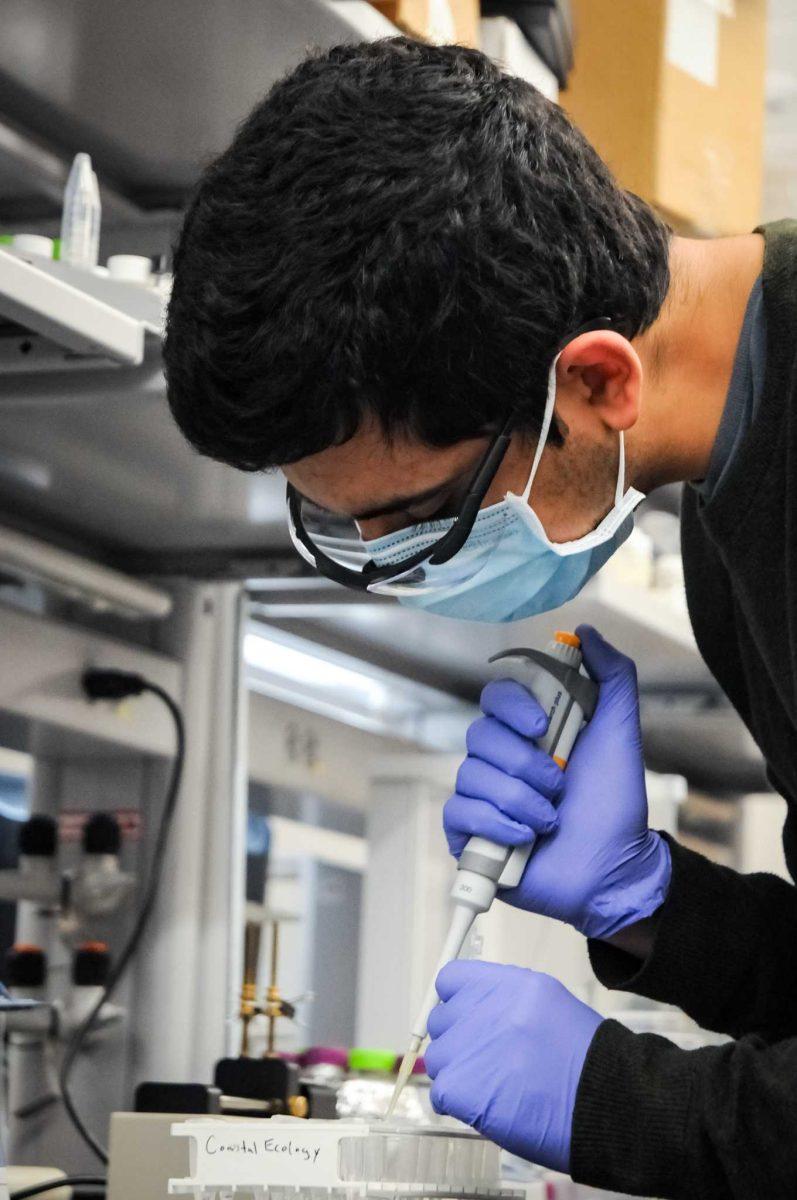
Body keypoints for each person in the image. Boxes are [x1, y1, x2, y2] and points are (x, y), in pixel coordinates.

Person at [163, 37, 797, 1199]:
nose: (403, 574)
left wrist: (616, 1098)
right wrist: (652, 900)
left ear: (598, 383)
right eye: (346, 533)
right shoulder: (730, 477)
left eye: (421, 515)